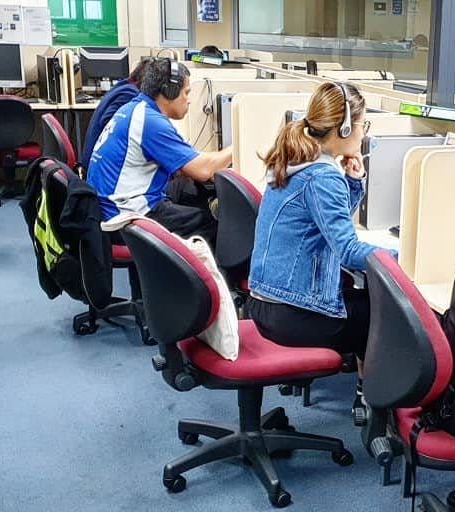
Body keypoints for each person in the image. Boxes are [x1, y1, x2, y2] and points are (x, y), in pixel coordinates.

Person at [246, 82, 393, 367]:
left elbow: (328, 223)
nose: (364, 133)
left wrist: (353, 182)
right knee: (387, 313)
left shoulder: (298, 158)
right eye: (363, 125)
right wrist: (404, 260)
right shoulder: (322, 176)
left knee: (365, 301)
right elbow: (348, 251)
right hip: (291, 312)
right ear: (345, 128)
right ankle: (369, 394)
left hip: (269, 302)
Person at [87, 58, 231, 243]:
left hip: (109, 206)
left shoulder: (136, 108)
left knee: (187, 186)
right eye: (186, 93)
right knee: (214, 222)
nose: (189, 100)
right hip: (125, 218)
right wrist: (238, 146)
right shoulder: (150, 121)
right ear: (169, 92)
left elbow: (191, 164)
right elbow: (203, 170)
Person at [79, 57, 150, 167]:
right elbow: (110, 122)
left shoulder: (123, 86)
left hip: (94, 160)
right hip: (99, 164)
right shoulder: (130, 93)